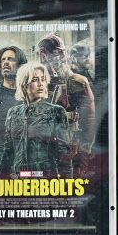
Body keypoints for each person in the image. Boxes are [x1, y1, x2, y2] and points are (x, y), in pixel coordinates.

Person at [0, 62, 74, 178]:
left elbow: (64, 153)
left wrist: (68, 182)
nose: (41, 84)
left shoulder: (56, 111)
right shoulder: (13, 112)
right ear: (24, 84)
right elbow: (8, 151)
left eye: (43, 79)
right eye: (35, 80)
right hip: (18, 180)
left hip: (46, 180)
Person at [38, 33, 96, 176]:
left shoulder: (77, 82)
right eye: (56, 53)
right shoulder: (36, 82)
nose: (61, 57)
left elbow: (89, 118)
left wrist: (84, 149)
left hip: (69, 149)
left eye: (61, 53)